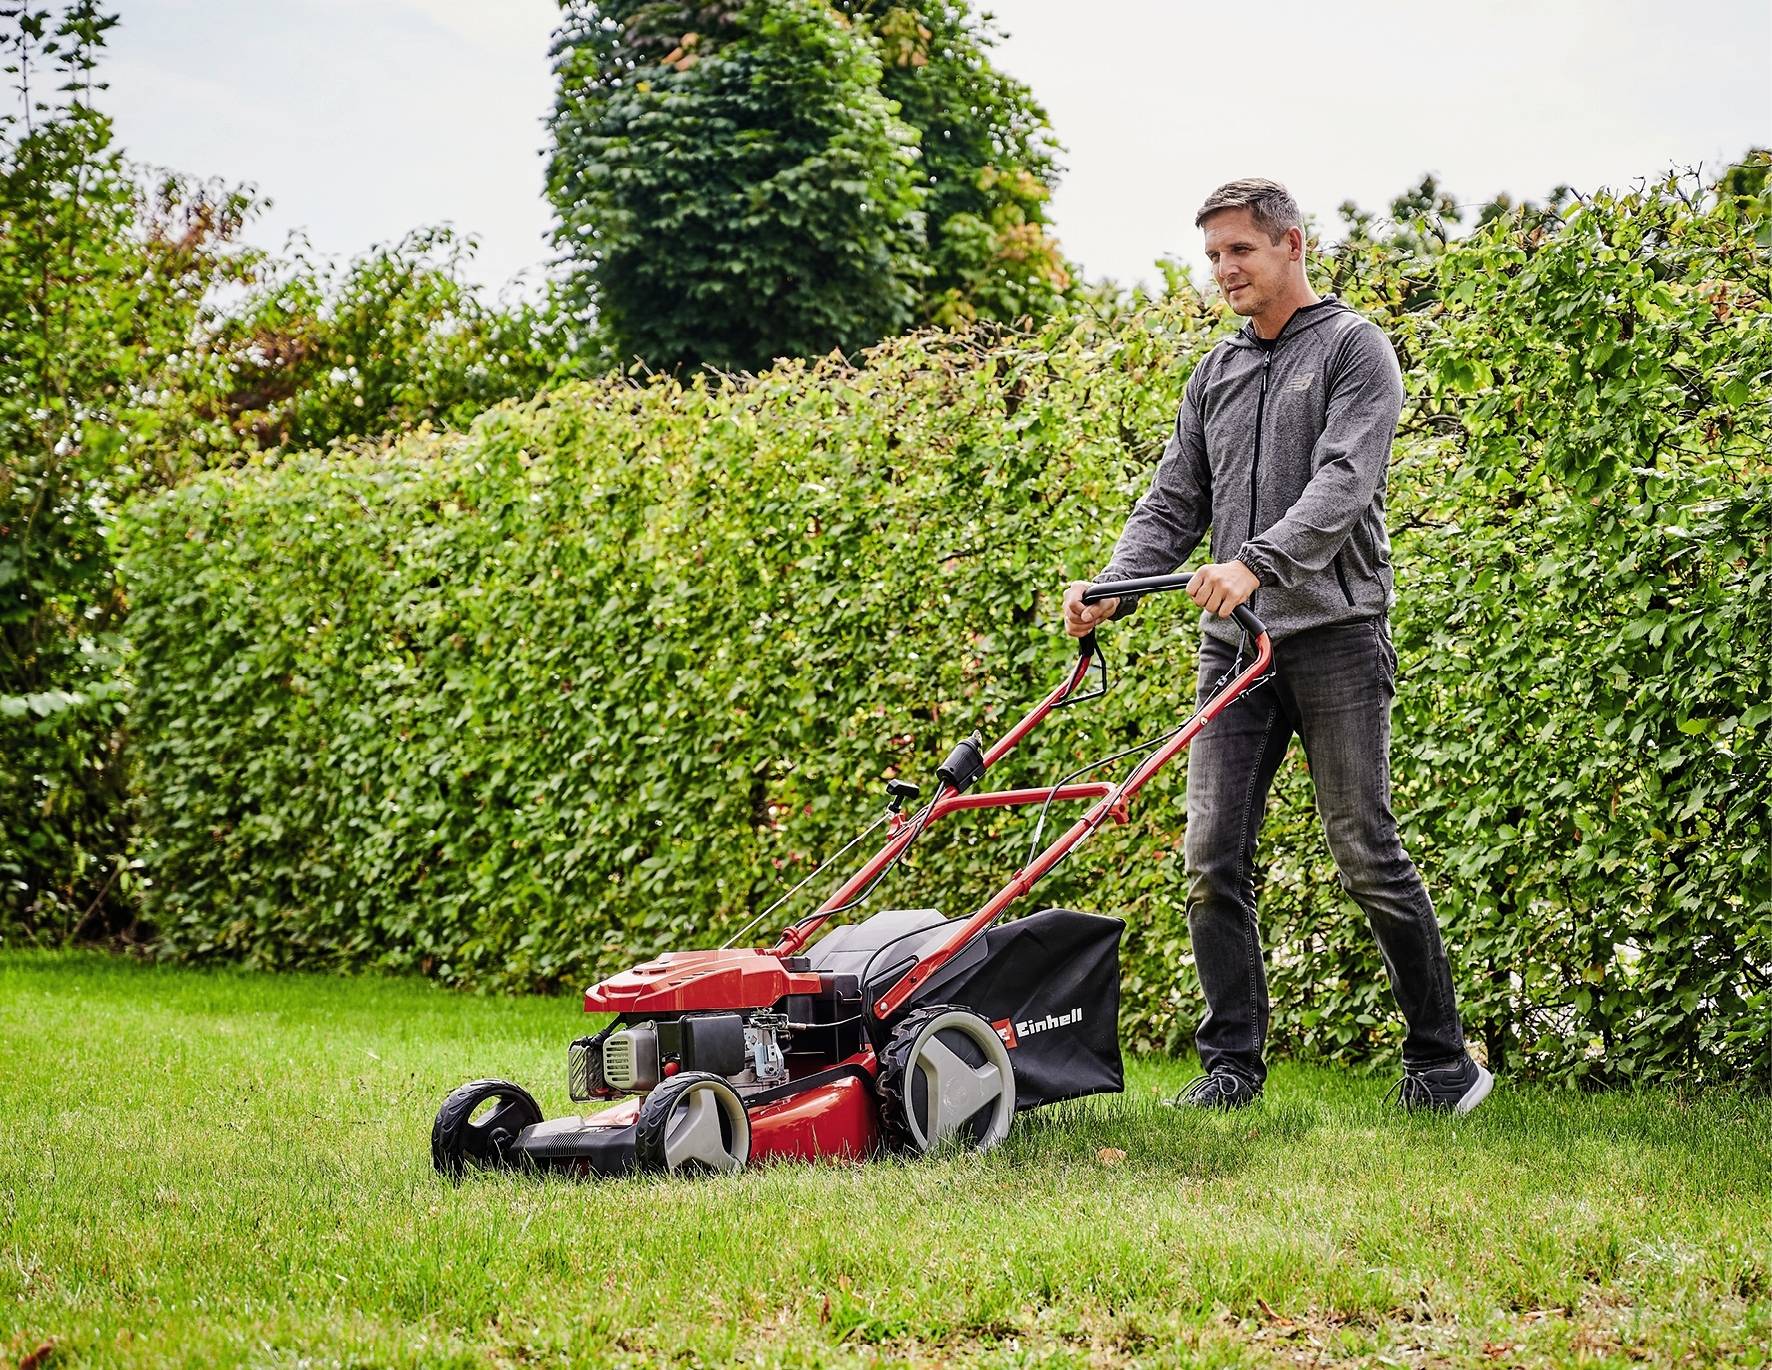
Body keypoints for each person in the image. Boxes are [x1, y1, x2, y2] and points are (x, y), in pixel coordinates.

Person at [1062, 178, 1491, 1114]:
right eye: (1213, 255)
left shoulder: (1353, 349)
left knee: (1364, 849)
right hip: (1234, 651)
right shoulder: (1214, 373)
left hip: (1335, 637)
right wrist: (1112, 590)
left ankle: (1442, 1065)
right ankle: (1230, 1071)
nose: (1223, 271)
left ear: (1291, 245)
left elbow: (1343, 485)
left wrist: (1255, 562)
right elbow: (1175, 500)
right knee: (1211, 856)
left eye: (1239, 252)